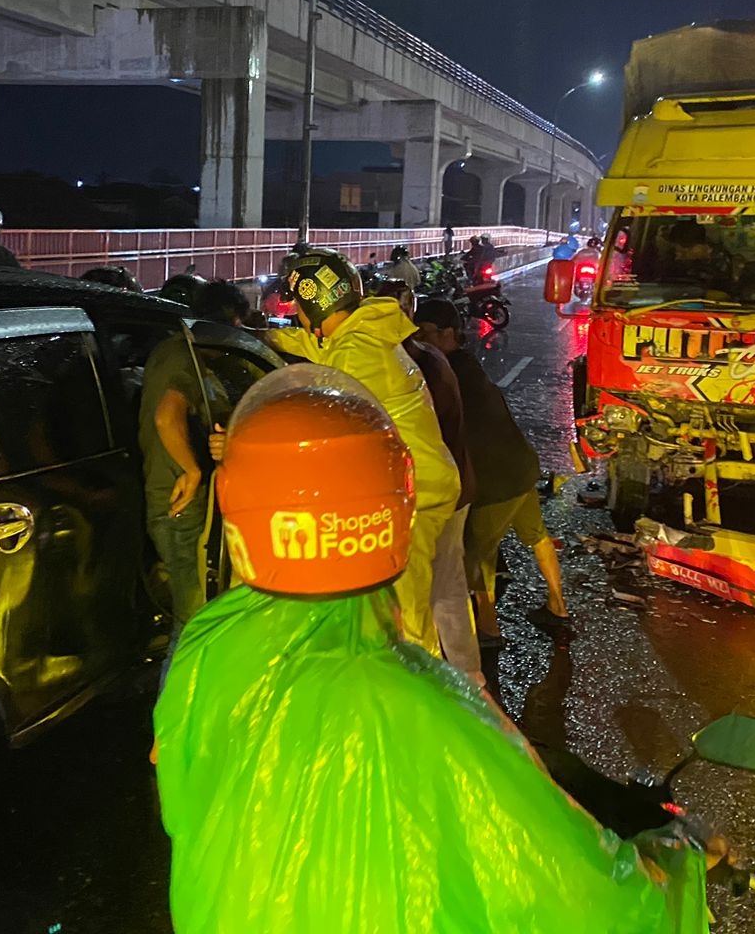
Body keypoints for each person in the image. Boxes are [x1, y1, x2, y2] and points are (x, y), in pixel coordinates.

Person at [155, 365, 711, 933]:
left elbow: (181, 795)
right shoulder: (431, 708)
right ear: (395, 511)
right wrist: (677, 856)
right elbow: (593, 902)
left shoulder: (207, 642)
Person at [266, 249, 459, 654]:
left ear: (316, 305)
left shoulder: (355, 353)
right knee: (411, 603)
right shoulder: (362, 334)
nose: (297, 316)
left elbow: (330, 426)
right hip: (420, 481)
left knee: (407, 617)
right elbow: (319, 350)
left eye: (299, 308)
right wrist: (265, 335)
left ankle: (419, 701)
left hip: (413, 491)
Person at [414, 297, 570, 634]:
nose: (419, 340)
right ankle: (558, 606)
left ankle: (488, 629)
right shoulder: (468, 364)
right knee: (537, 536)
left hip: (494, 481)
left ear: (448, 333)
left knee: (477, 555)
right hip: (521, 468)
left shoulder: (444, 372)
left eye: (425, 332)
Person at [373, 279, 479, 677]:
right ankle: (470, 679)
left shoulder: (400, 368)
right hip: (457, 483)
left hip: (429, 491)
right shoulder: (429, 357)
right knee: (448, 589)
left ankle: (429, 680)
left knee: (419, 596)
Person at [139, 280, 249, 632]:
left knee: (199, 613)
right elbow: (165, 417)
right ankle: (181, 686)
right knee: (194, 623)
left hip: (188, 506)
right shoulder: (182, 355)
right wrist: (192, 471)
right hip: (178, 505)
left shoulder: (184, 355)